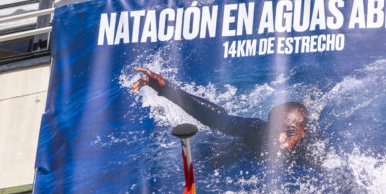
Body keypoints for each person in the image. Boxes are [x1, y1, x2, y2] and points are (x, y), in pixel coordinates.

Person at [131, 67, 308, 161]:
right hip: (244, 146)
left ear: (303, 133)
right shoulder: (254, 130)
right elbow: (211, 117)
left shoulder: (312, 150)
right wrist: (165, 88)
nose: (279, 138)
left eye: (290, 132)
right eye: (274, 129)